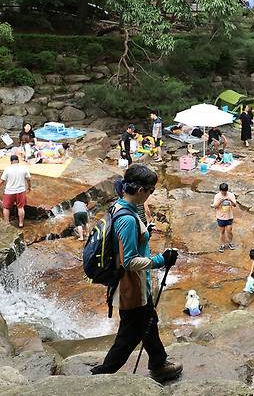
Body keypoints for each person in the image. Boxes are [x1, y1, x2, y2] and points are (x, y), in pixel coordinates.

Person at [90, 164, 182, 383]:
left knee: (149, 321)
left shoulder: (119, 207)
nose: (150, 194)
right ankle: (100, 376)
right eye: (150, 190)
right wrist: (161, 260)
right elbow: (129, 261)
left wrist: (144, 235)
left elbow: (123, 244)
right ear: (140, 190)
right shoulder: (128, 219)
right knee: (129, 336)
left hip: (134, 286)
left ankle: (159, 363)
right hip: (132, 288)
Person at [0, 155, 32, 228]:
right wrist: (29, 187)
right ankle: (21, 223)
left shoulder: (7, 169)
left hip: (9, 192)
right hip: (21, 191)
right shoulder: (24, 168)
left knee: (6, 208)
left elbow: (2, 180)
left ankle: (7, 223)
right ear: (18, 161)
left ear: (11, 161)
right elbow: (28, 179)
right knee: (20, 207)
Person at [212, 183, 237, 253]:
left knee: (229, 231)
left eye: (225, 191)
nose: (224, 193)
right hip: (220, 217)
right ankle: (222, 245)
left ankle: (230, 242)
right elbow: (215, 207)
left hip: (229, 216)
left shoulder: (231, 195)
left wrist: (230, 200)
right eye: (222, 191)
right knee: (222, 232)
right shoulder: (217, 196)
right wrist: (221, 201)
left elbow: (235, 205)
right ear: (220, 190)